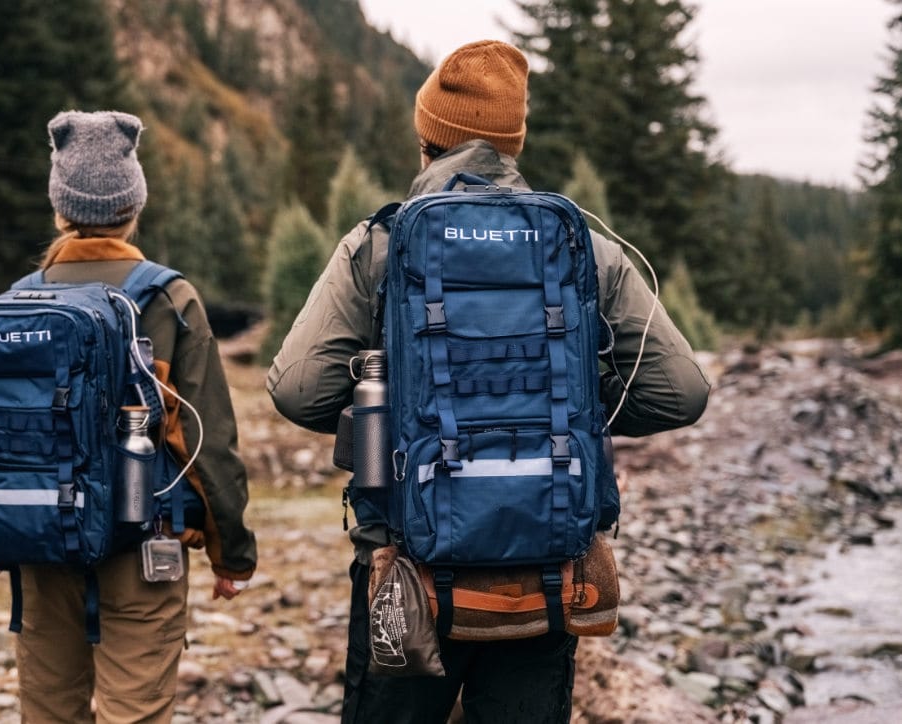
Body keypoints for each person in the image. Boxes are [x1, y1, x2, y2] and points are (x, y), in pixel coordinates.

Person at [266, 40, 710, 723]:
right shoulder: (581, 248)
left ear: (427, 141)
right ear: (513, 146)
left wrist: (399, 412)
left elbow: (298, 389)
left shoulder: (382, 244)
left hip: (405, 567)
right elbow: (681, 392)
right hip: (545, 567)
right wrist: (566, 408)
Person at [16, 110, 257, 722]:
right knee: (137, 713)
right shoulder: (168, 299)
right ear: (133, 205)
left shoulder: (20, 300)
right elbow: (209, 442)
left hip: (41, 545)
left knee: (49, 713)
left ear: (59, 207)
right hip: (143, 549)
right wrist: (231, 554)